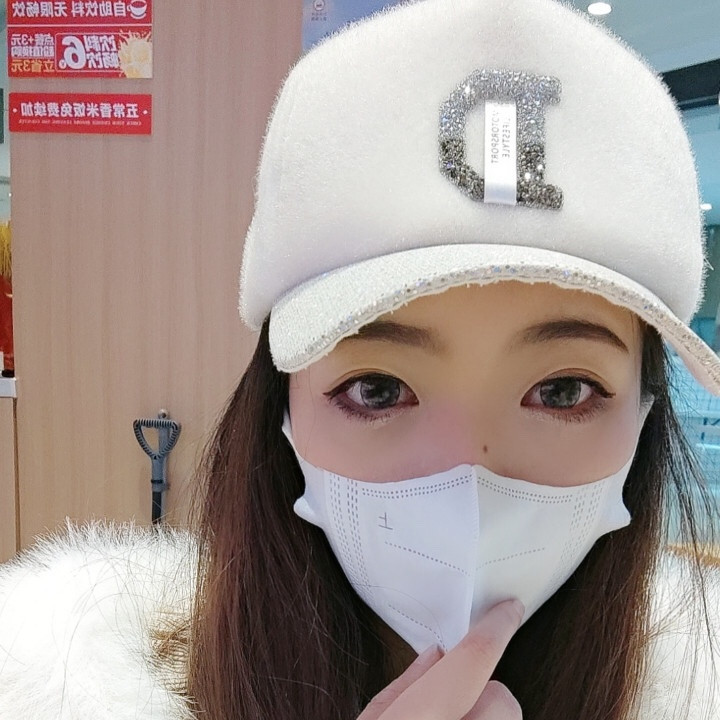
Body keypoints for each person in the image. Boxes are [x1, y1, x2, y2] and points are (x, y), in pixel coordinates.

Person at [0, 0, 719, 718]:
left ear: (646, 413)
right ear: (280, 407)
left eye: (564, 391)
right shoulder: (54, 690)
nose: (465, 479)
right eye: (376, 388)